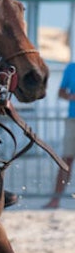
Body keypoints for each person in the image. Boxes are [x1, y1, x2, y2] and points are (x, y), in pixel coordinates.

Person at [44, 62, 75, 209]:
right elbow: (61, 92)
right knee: (66, 160)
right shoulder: (71, 68)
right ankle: (55, 200)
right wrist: (71, 96)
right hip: (72, 120)